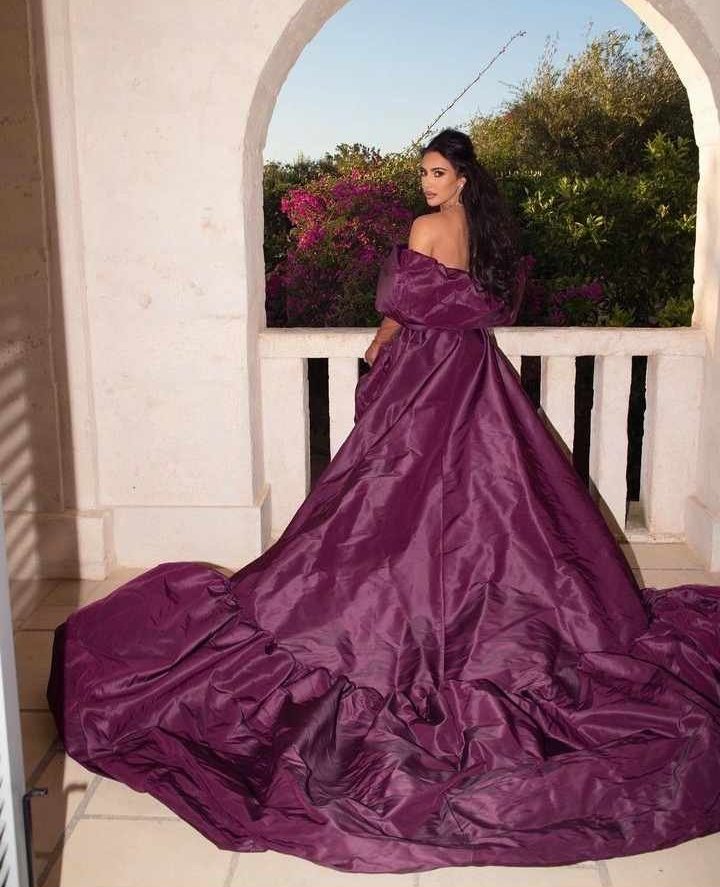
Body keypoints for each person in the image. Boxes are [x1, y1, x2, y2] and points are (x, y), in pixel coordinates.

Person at [46, 129, 720, 875]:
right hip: (473, 373)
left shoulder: (427, 228)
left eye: (438, 172)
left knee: (389, 506)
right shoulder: (484, 234)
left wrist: (378, 345)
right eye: (424, 172)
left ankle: (393, 620)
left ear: (461, 178)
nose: (427, 183)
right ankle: (470, 617)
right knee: (488, 505)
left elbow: (399, 307)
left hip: (426, 376)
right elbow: (471, 304)